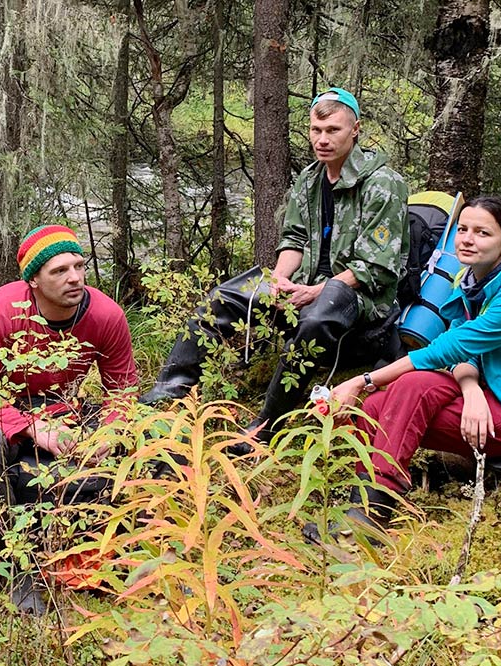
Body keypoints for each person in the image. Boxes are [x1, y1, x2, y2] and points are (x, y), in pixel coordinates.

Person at [140, 87, 409, 450]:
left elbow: (377, 267)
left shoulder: (383, 184)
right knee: (223, 297)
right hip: (308, 286)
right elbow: (294, 239)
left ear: (355, 129)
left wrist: (315, 292)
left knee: (319, 314)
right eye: (316, 130)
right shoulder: (311, 179)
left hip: (361, 302)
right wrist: (280, 280)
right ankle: (171, 388)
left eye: (333, 130)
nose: (323, 139)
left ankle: (267, 424)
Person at [304, 196, 501, 542]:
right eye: (462, 229)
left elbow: (447, 350)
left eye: (482, 233)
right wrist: (471, 390)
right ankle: (361, 504)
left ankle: (371, 518)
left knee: (406, 390)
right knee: (373, 408)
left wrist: (363, 380)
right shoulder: (471, 282)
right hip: (488, 393)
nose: (466, 238)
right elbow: (465, 351)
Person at [0, 224, 138, 612]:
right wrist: (30, 426)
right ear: (33, 280)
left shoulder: (105, 315)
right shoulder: (2, 309)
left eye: (79, 266)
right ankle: (17, 564)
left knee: (138, 445)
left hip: (63, 414)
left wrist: (108, 434)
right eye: (60, 271)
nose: (75, 278)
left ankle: (124, 546)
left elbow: (123, 392)